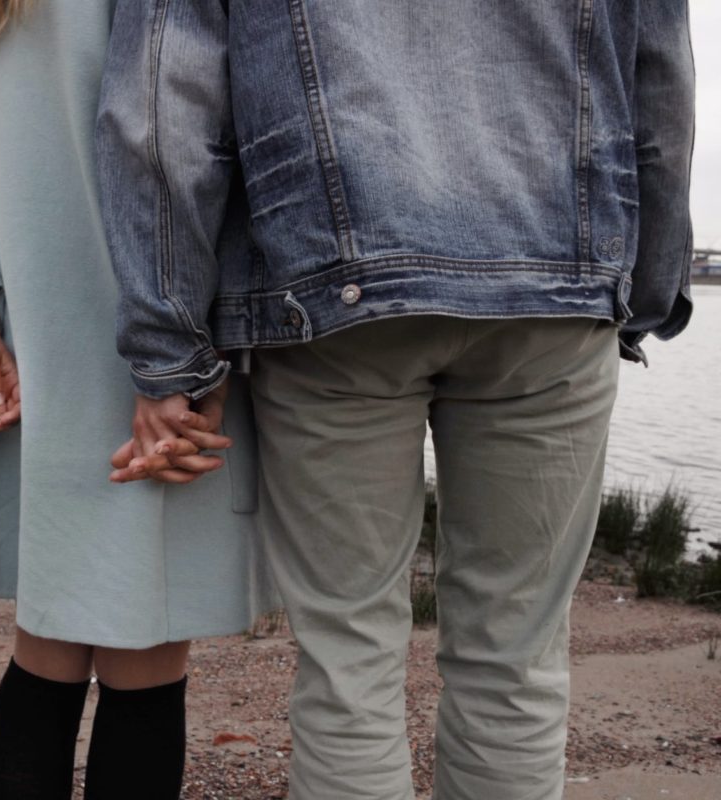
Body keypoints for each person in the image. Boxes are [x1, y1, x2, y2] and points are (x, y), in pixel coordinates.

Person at [98, 2, 695, 799]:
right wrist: (640, 290)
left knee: (350, 662)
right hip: (557, 288)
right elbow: (662, 82)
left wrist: (171, 353)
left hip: (329, 298)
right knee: (514, 663)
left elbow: (160, 103)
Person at [0, 2, 276, 799]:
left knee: (45, 656)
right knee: (144, 661)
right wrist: (191, 367)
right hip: (164, 346)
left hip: (34, 358)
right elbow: (194, 141)